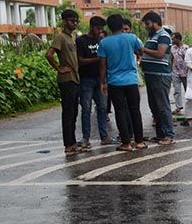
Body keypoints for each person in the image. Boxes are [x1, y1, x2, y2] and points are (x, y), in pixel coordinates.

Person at [98, 14, 147, 152]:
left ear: (109, 27)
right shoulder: (131, 38)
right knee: (135, 110)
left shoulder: (104, 43)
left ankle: (126, 143)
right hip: (131, 80)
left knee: (120, 112)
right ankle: (139, 142)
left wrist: (102, 82)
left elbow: (102, 65)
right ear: (121, 25)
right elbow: (141, 50)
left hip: (114, 81)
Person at [45, 9, 84, 155]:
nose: (74, 23)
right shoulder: (60, 37)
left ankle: (72, 142)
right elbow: (48, 55)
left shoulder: (72, 37)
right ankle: (68, 144)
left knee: (73, 112)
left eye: (76, 21)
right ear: (64, 21)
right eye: (72, 20)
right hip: (66, 79)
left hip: (75, 78)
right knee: (68, 113)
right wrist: (59, 68)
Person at [76, 15, 112, 147]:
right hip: (86, 78)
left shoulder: (102, 41)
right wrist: (98, 59)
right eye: (98, 29)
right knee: (86, 108)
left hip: (101, 78)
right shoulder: (81, 41)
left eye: (102, 29)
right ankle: (86, 137)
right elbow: (80, 60)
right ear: (91, 27)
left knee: (102, 108)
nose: (100, 31)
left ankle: (104, 136)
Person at [140, 11, 175, 145]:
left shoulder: (163, 36)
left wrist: (143, 49)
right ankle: (160, 134)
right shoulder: (152, 36)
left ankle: (168, 135)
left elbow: (160, 53)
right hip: (151, 75)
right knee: (154, 106)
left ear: (155, 22)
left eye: (148, 24)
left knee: (162, 106)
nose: (146, 27)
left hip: (160, 76)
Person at [170, 32, 189, 115]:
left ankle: (189, 107)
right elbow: (171, 58)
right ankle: (178, 107)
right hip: (175, 72)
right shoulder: (172, 48)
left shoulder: (186, 48)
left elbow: (188, 60)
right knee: (177, 90)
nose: (172, 40)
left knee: (187, 90)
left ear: (178, 39)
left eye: (173, 38)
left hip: (185, 72)